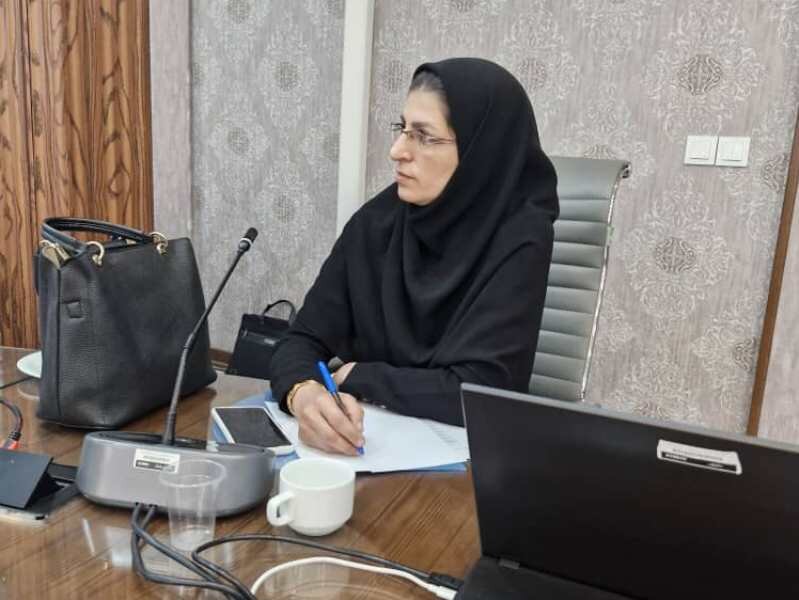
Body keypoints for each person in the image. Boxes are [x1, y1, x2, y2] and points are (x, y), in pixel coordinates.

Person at [269, 58, 559, 456]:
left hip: (467, 462)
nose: (397, 151)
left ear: (479, 149)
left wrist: (361, 377)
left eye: (424, 136)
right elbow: (301, 339)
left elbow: (482, 390)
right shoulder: (377, 222)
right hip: (364, 446)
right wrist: (303, 394)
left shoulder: (520, 237)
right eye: (402, 129)